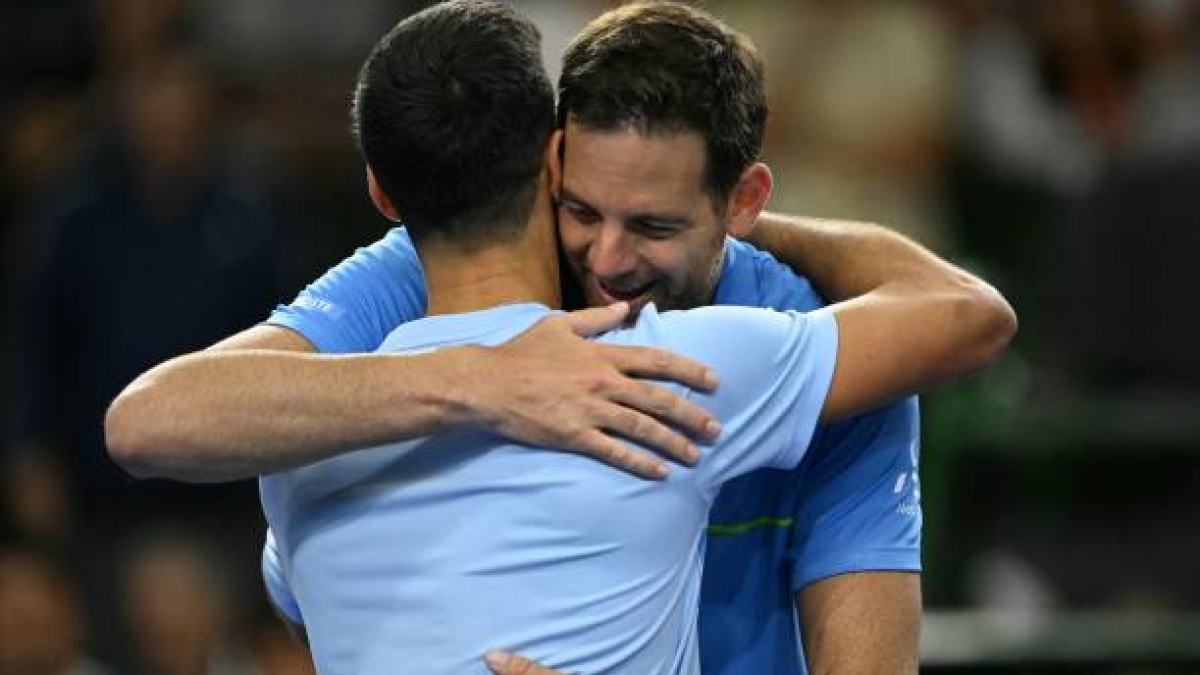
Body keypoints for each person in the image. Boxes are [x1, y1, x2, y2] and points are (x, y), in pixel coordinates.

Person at [106, 2, 1017, 673]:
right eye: (581, 211)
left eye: (656, 226)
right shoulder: (402, 278)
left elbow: (973, 319)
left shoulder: (789, 342)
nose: (611, 257)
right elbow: (152, 420)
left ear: (740, 201)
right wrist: (484, 379)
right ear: (548, 164)